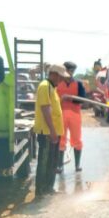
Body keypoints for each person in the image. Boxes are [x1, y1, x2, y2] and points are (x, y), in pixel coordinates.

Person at [33, 64, 67, 196]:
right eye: (60, 77)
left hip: (54, 132)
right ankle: (40, 190)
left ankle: (48, 188)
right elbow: (46, 109)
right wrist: (52, 131)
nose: (61, 80)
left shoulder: (52, 88)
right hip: (47, 132)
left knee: (52, 162)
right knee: (44, 162)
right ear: (53, 74)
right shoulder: (45, 86)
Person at [56, 61, 87, 173]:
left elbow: (83, 99)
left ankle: (77, 165)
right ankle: (60, 166)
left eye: (73, 70)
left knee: (77, 139)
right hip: (60, 114)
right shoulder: (57, 83)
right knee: (61, 140)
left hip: (75, 114)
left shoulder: (78, 84)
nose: (71, 72)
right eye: (69, 70)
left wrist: (71, 98)